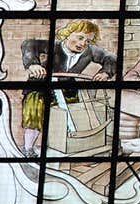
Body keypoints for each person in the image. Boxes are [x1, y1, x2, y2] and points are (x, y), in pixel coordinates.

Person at [21, 19, 117, 157]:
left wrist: (105, 73)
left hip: (67, 89)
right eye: (80, 38)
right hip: (40, 87)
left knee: (76, 112)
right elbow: (28, 44)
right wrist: (33, 64)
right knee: (34, 111)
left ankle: (74, 145)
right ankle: (28, 148)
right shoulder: (54, 46)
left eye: (88, 41)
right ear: (68, 34)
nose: (83, 43)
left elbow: (110, 58)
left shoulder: (89, 52)